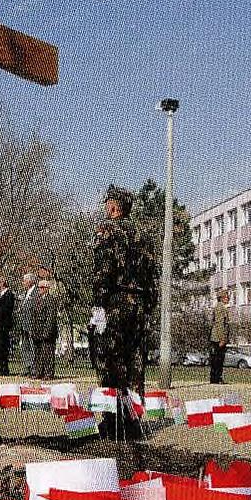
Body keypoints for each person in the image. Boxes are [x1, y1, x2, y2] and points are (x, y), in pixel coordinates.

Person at [92, 185, 158, 439]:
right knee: (135, 365)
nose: (106, 207)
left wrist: (99, 305)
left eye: (108, 202)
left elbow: (102, 271)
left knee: (110, 362)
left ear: (115, 206)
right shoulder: (143, 235)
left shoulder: (107, 231)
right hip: (139, 306)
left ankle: (112, 423)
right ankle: (133, 421)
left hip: (115, 303)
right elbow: (153, 276)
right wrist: (148, 306)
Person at [31, 280, 60, 380]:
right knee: (38, 353)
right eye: (39, 287)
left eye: (41, 287)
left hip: (47, 331)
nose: (39, 289)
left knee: (48, 353)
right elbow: (33, 316)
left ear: (46, 288)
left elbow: (50, 318)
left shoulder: (51, 300)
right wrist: (33, 330)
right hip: (37, 331)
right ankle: (39, 372)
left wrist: (46, 332)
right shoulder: (36, 299)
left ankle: (48, 373)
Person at [15, 273, 40, 375]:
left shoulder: (36, 291)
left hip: (31, 324)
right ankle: (27, 368)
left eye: (25, 280)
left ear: (30, 281)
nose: (23, 282)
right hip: (23, 323)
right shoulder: (25, 292)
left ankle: (34, 369)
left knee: (32, 347)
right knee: (24, 347)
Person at [0, 277, 15, 375]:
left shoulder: (9, 294)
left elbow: (6, 309)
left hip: (4, 324)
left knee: (4, 346)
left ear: (3, 283)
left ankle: (4, 369)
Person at [209, 288, 231, 384]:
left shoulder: (220, 307)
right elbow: (220, 324)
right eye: (226, 297)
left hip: (217, 336)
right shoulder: (220, 308)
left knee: (217, 358)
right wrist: (222, 339)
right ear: (221, 298)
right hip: (218, 337)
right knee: (218, 359)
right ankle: (216, 378)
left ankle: (216, 378)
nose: (228, 298)